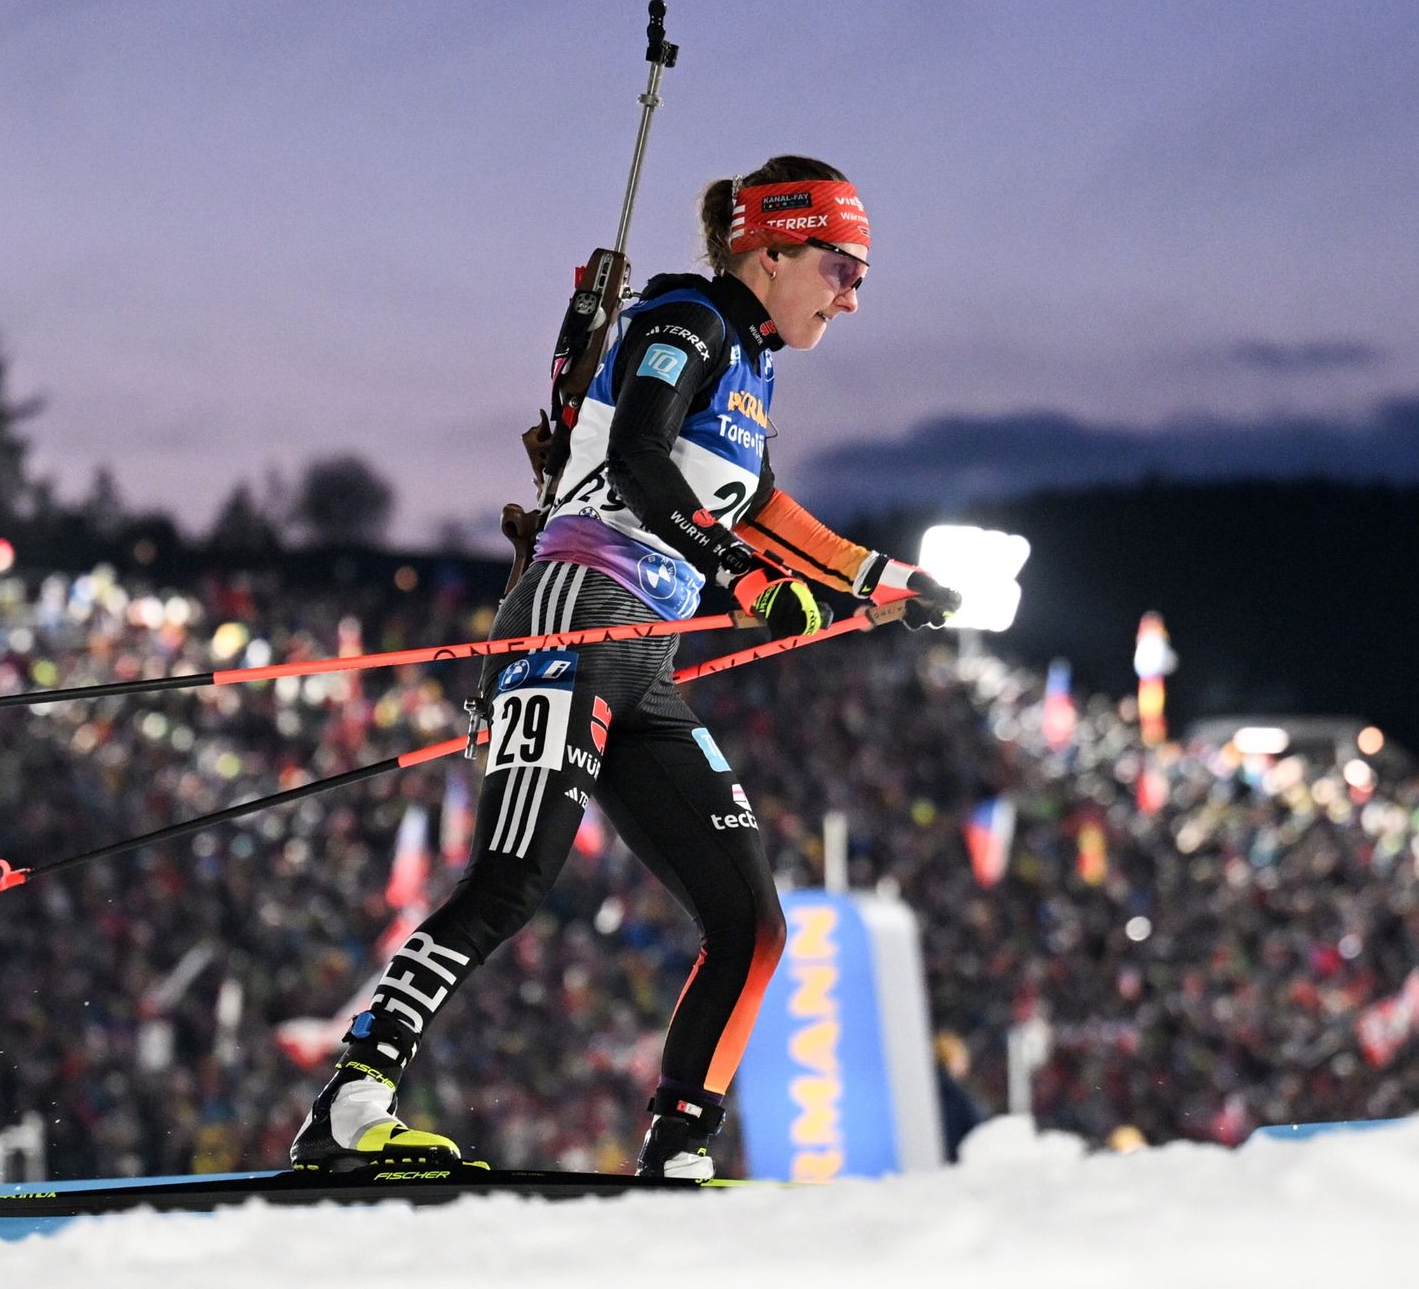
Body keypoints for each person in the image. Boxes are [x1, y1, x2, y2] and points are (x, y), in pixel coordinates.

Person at [292, 156, 961, 1180]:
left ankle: (679, 1152)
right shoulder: (685, 321)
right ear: (770, 247)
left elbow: (766, 510)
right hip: (572, 617)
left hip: (641, 661)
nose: (852, 293)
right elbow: (646, 460)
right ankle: (349, 1104)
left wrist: (885, 578)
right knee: (514, 874)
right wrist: (740, 582)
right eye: (839, 265)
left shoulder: (750, 361)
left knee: (751, 923)